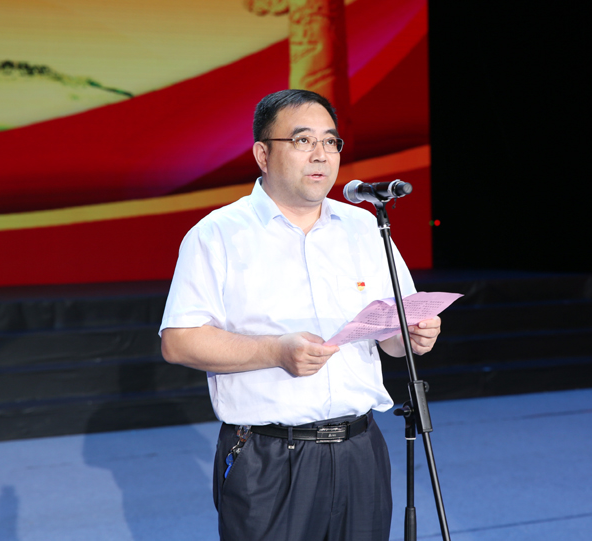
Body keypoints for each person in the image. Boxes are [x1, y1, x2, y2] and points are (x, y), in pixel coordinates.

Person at [159, 89, 441, 541]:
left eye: (330, 142)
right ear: (263, 154)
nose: (321, 155)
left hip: (360, 450)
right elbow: (178, 341)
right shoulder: (218, 234)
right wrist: (275, 351)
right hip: (269, 457)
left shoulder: (364, 226)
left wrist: (413, 334)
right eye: (303, 140)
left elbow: (393, 334)